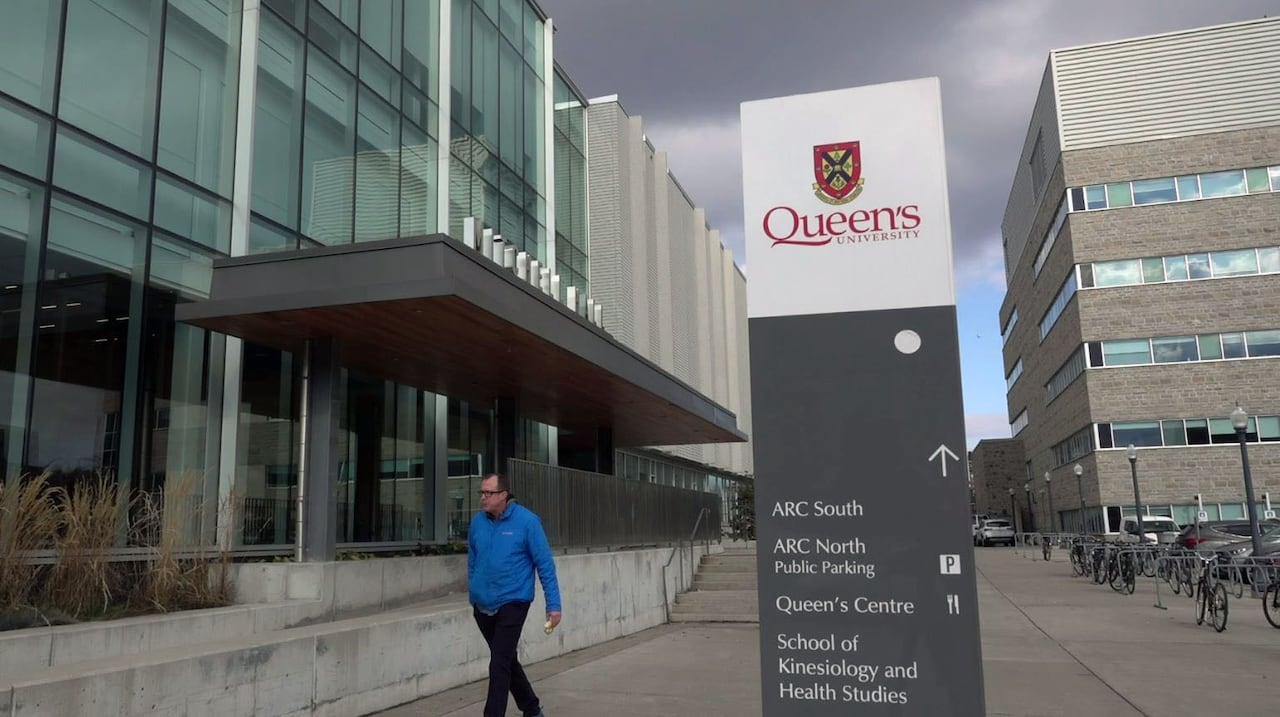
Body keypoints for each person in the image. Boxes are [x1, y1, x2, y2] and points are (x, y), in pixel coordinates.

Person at [468, 472, 562, 717]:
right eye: (482, 493)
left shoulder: (527, 522)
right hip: (482, 605)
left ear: (503, 495)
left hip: (514, 600)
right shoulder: (477, 522)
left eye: (488, 493)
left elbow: (545, 564)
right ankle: (531, 708)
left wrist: (554, 605)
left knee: (498, 664)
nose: (483, 498)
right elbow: (472, 560)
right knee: (506, 659)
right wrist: (473, 591)